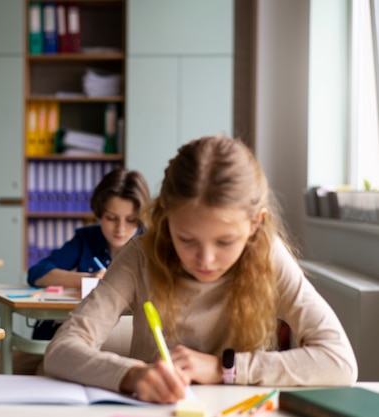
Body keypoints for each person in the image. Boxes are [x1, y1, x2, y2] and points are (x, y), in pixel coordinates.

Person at [43, 135, 358, 404]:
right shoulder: (141, 255)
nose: (205, 260)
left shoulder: (267, 255)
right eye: (187, 239)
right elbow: (62, 349)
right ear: (165, 218)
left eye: (225, 242)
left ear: (255, 224)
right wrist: (132, 375)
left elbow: (340, 361)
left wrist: (224, 369)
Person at [15, 168, 150, 374]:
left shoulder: (150, 244)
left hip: (129, 338)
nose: (120, 229)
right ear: (98, 214)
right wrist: (88, 278)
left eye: (130, 220)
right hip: (80, 335)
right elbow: (38, 273)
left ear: (140, 219)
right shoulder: (87, 239)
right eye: (111, 218)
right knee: (19, 365)